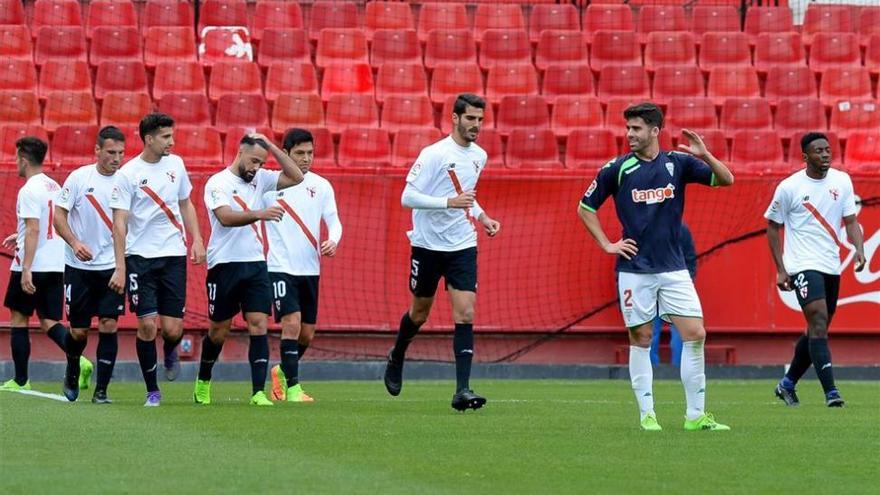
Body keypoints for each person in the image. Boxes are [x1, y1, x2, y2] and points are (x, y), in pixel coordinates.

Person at [577, 103, 734, 431]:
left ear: (654, 131)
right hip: (634, 270)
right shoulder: (616, 169)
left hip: (674, 269)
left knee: (696, 334)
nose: (629, 134)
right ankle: (647, 415)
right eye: (628, 128)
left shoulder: (679, 164)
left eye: (636, 128)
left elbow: (727, 180)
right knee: (642, 337)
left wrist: (704, 155)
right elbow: (585, 207)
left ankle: (696, 416)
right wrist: (607, 244)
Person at [383, 93, 501, 412]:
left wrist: (482, 216)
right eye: (470, 119)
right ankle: (397, 354)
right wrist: (448, 203)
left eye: (480, 119)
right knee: (419, 312)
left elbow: (465, 196)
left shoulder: (480, 156)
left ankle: (462, 390)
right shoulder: (434, 154)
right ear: (455, 118)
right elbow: (408, 197)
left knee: (465, 312)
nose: (476, 125)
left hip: (462, 243)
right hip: (427, 244)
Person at [193, 133, 304, 406]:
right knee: (219, 330)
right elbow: (225, 217)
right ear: (239, 153)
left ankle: (257, 392)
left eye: (261, 162)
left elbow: (296, 176)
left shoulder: (260, 178)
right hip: (224, 264)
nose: (257, 167)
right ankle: (203, 381)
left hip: (255, 263)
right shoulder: (217, 183)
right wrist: (259, 214)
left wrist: (273, 148)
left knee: (259, 323)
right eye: (254, 160)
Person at [109, 113, 206, 407]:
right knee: (148, 327)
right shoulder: (128, 174)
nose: (172, 142)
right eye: (166, 137)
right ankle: (152, 390)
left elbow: (186, 203)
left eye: (172, 136)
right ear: (149, 139)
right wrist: (121, 266)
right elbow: (119, 222)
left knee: (173, 329)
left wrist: (198, 239)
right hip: (140, 258)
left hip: (173, 255)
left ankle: (170, 350)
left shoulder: (176, 165)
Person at [766, 132, 865, 408]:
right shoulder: (789, 187)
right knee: (819, 321)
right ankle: (831, 392)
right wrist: (781, 270)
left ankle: (786, 384)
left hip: (830, 264)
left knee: (816, 329)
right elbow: (772, 227)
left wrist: (859, 248)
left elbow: (850, 219)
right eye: (818, 151)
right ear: (805, 156)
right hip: (802, 264)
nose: (825, 154)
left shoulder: (842, 181)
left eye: (827, 149)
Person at [1, 137, 91, 393]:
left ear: (24, 159)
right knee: (50, 320)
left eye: (17, 157)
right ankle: (79, 359)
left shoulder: (28, 189)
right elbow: (50, 223)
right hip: (56, 262)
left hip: (32, 263)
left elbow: (33, 228)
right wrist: (17, 236)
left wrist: (26, 268)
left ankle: (20, 380)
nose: (16, 162)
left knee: (19, 319)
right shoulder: (54, 185)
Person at [263, 129, 342, 403]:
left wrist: (333, 240)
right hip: (280, 266)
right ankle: (294, 389)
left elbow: (334, 220)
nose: (306, 158)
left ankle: (281, 371)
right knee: (292, 324)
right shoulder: (269, 186)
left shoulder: (321, 186)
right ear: (285, 154)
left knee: (307, 333)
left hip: (310, 269)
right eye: (299, 153)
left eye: (310, 152)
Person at [54, 126, 127, 403]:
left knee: (109, 324)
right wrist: (74, 242)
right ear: (97, 150)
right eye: (111, 152)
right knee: (78, 331)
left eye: (121, 153)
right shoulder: (78, 178)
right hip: (78, 267)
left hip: (111, 266)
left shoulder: (125, 182)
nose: (116, 158)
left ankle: (102, 391)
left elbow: (124, 224)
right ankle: (73, 365)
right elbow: (59, 216)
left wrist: (121, 267)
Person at [649, 223, 696, 367]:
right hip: (669, 288)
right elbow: (690, 260)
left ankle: (651, 372)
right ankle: (679, 371)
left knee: (648, 334)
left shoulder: (639, 227)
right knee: (679, 332)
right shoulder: (681, 229)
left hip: (651, 287)